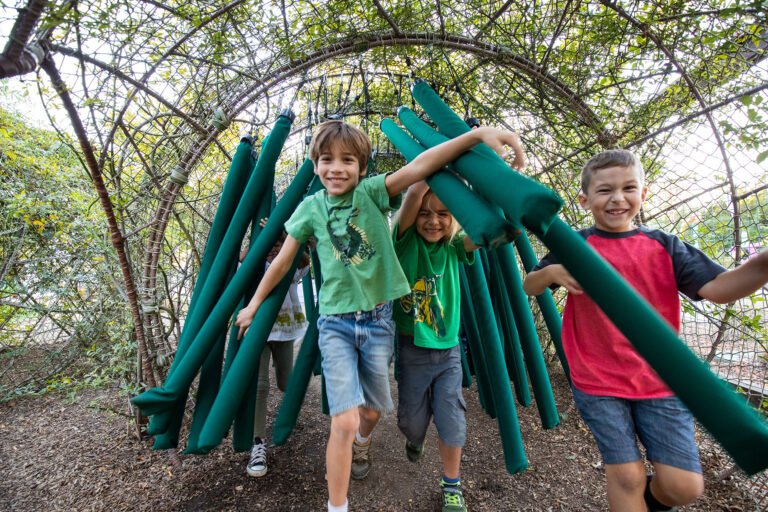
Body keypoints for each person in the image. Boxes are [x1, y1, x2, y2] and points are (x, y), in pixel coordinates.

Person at [235, 120, 524, 512]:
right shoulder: (310, 209)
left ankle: (363, 443)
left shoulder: (372, 194)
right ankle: (337, 505)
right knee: (345, 421)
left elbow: (420, 169)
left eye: (347, 160)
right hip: (336, 324)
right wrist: (253, 305)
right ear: (314, 163)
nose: (336, 168)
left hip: (377, 323)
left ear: (363, 167)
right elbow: (283, 262)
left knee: (371, 412)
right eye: (326, 160)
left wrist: (473, 137)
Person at [522, 149, 768, 512]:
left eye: (628, 188)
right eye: (605, 190)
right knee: (627, 477)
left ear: (643, 193)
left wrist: (762, 264)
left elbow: (719, 289)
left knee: (684, 487)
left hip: (660, 380)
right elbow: (529, 285)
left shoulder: (665, 247)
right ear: (584, 199)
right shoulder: (575, 245)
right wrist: (551, 273)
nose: (618, 198)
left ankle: (646, 502)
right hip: (598, 378)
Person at [392, 181, 480, 512]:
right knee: (411, 423)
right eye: (425, 214)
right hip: (412, 348)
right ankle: (415, 439)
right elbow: (413, 194)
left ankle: (452, 484)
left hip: (448, 351)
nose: (433, 221)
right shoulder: (403, 242)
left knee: (452, 417)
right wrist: (441, 165)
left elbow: (484, 235)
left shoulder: (454, 246)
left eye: (443, 214)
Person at [245, 220, 311, 478]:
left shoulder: (288, 264)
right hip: (257, 332)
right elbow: (239, 265)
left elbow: (304, 263)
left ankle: (289, 413)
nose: (273, 251)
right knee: (260, 385)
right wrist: (260, 246)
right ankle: (258, 442)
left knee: (286, 382)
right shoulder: (252, 264)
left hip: (284, 331)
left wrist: (289, 241)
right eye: (269, 246)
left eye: (278, 246)